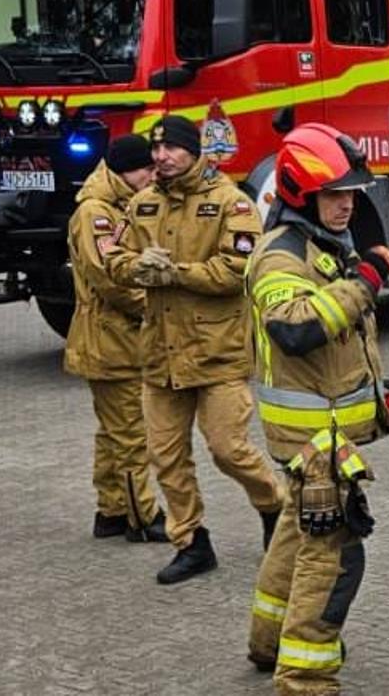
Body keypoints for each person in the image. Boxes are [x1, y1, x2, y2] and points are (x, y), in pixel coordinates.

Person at [244, 124, 389, 693]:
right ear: (299, 193)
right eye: (334, 193)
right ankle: (305, 680)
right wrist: (366, 281)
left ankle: (268, 644)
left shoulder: (321, 246)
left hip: (328, 431)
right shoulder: (279, 259)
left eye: (352, 192)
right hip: (314, 440)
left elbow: (345, 341)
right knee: (334, 559)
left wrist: (377, 398)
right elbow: (297, 330)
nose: (347, 203)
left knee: (294, 537)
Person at [105, 114, 281, 585]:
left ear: (194, 150)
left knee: (228, 449)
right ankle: (191, 542)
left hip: (217, 353)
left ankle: (273, 505)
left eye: (171, 149)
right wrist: (135, 265)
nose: (161, 157)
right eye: (156, 150)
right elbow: (113, 258)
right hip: (158, 354)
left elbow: (237, 270)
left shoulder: (232, 204)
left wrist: (175, 273)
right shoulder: (141, 204)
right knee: (165, 455)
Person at [65, 134, 166, 543]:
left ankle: (110, 511)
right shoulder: (96, 213)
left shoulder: (118, 206)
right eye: (148, 168)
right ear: (126, 170)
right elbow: (111, 278)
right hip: (110, 343)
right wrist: (156, 308)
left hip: (118, 341)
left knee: (113, 432)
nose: (154, 175)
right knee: (131, 434)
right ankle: (142, 517)